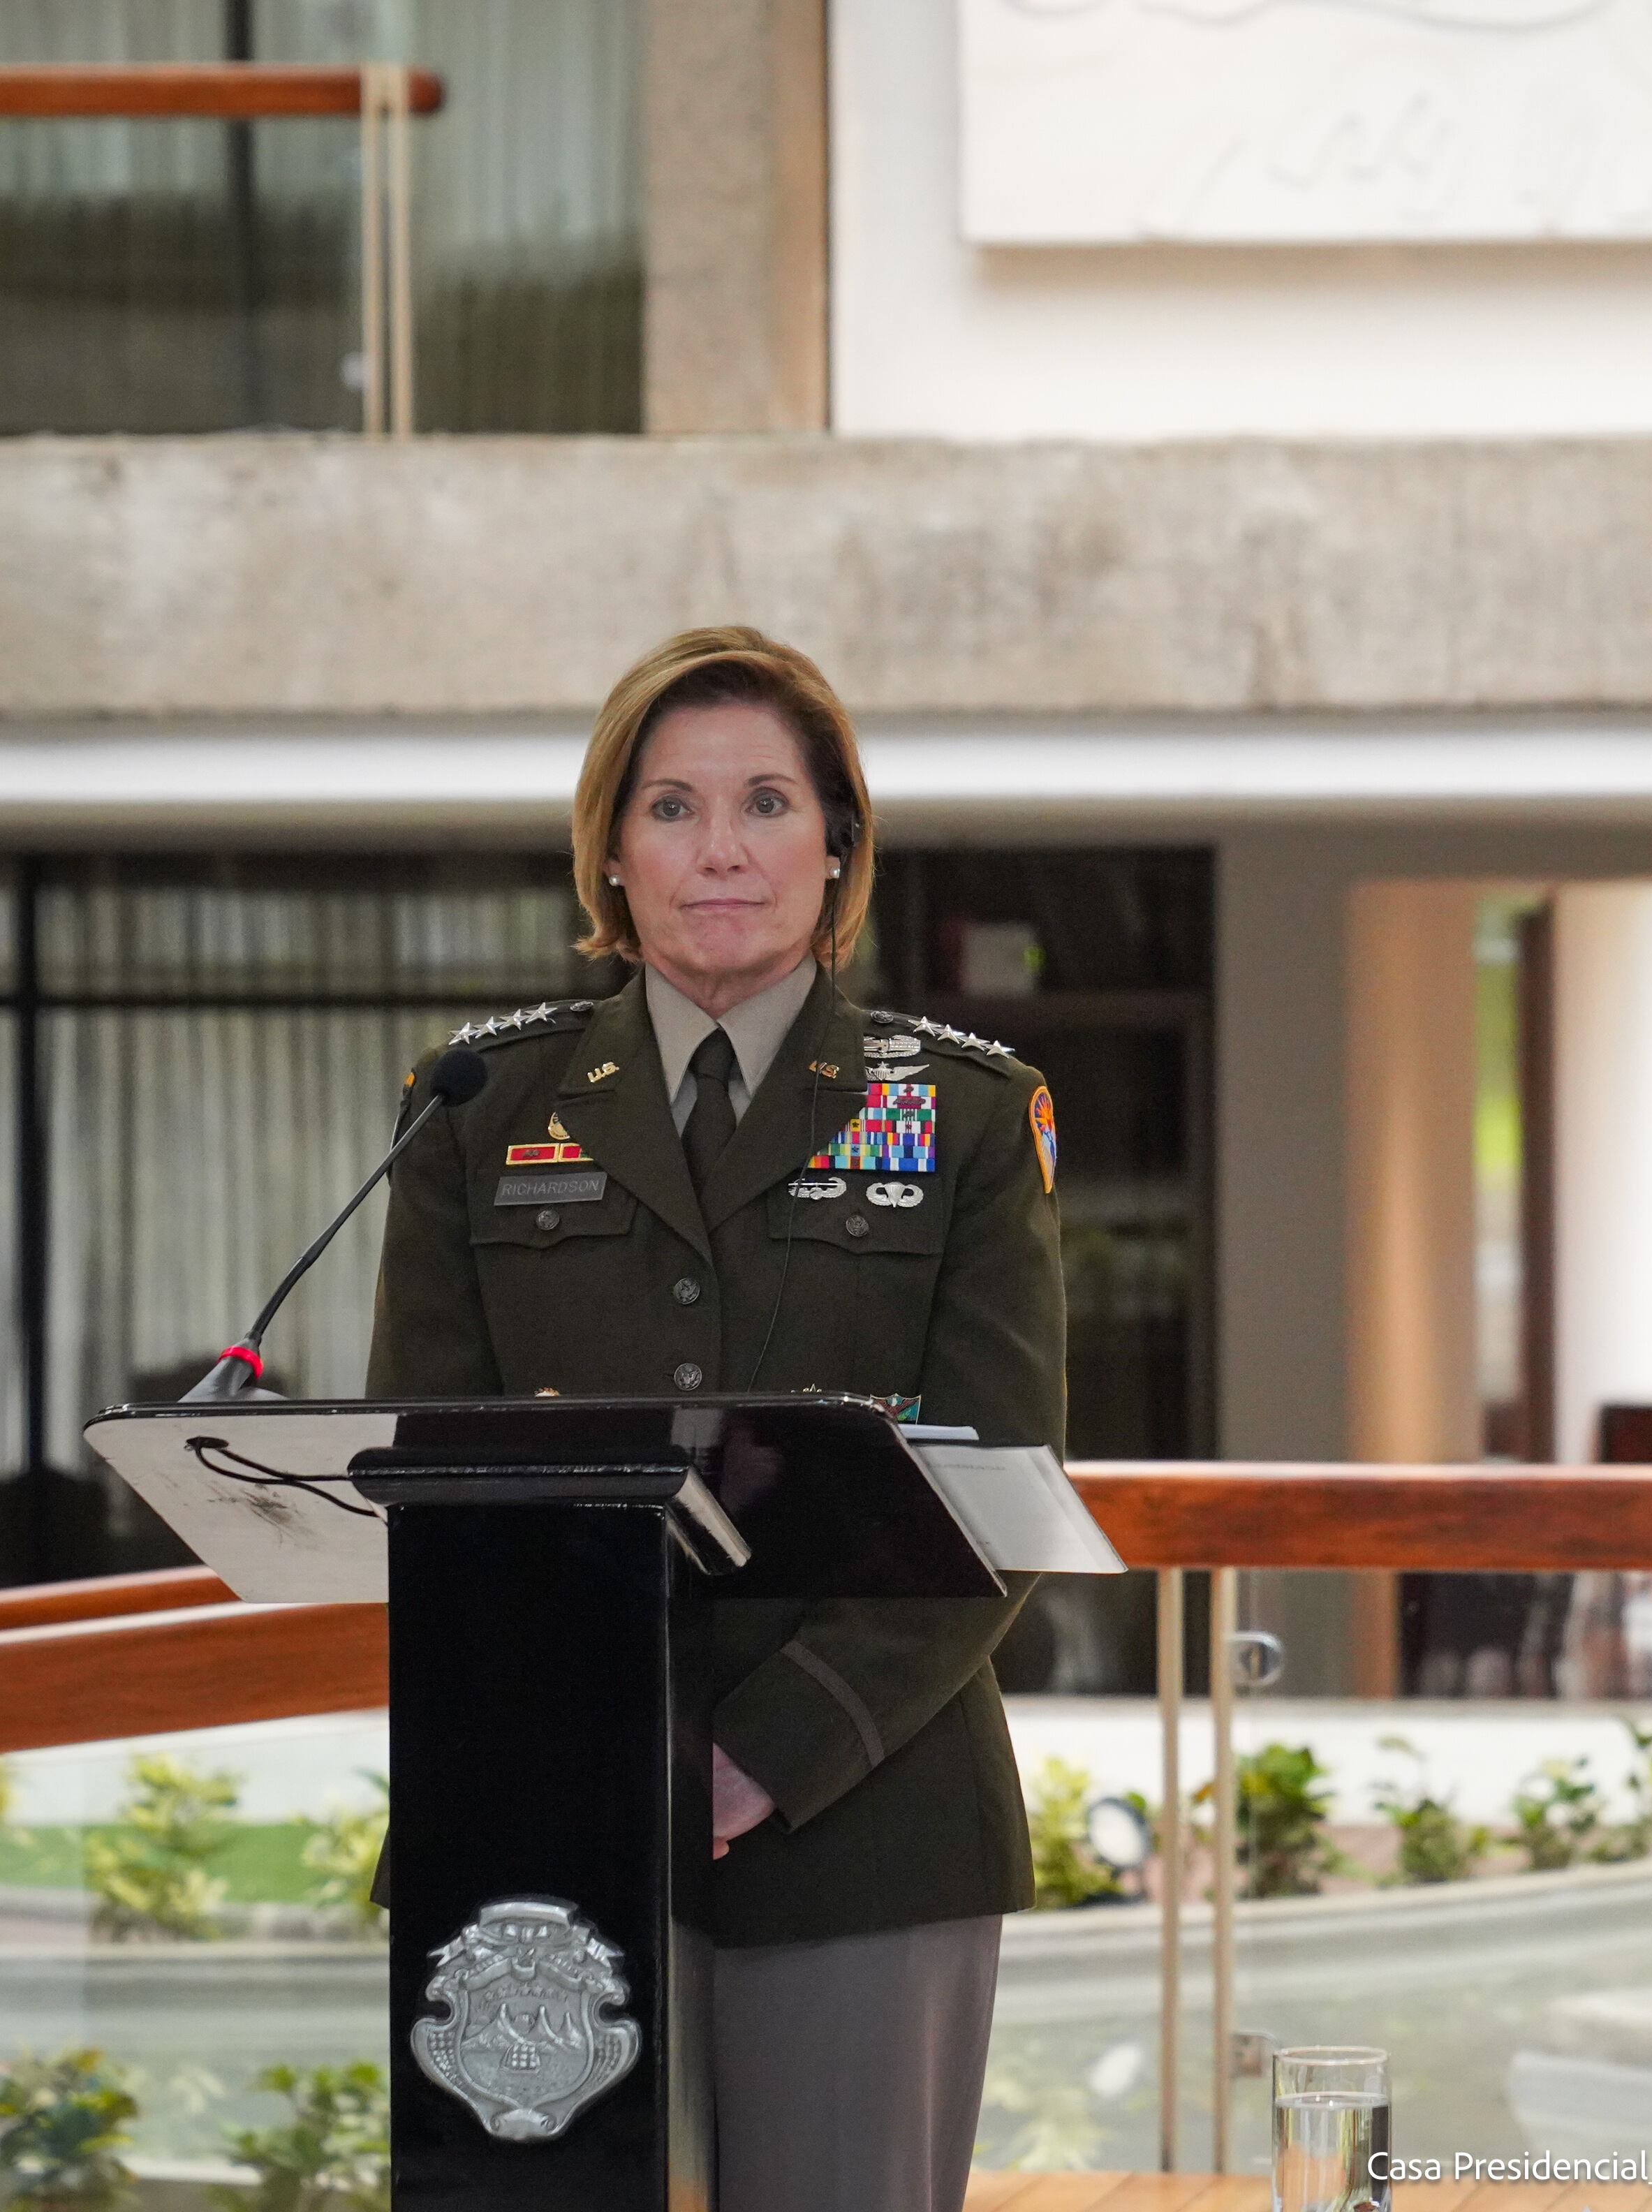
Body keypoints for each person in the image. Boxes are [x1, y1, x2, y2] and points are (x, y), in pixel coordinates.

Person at [367, 625, 1065, 2212]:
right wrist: (593, 1747)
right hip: (539, 1816)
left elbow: (997, 1492)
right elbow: (440, 1476)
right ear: (612, 852)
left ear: (838, 844)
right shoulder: (477, 1105)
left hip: (866, 1817)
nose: (722, 849)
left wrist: (764, 1753)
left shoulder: (959, 1112)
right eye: (672, 807)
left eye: (766, 803)